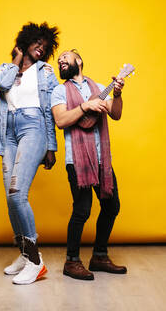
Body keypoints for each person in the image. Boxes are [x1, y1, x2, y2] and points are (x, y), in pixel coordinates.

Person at [0, 22, 59, 285]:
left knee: (18, 194)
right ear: (26, 42)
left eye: (45, 47)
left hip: (33, 128)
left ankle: (36, 262)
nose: (41, 48)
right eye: (38, 43)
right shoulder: (6, 70)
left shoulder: (46, 72)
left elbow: (50, 109)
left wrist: (51, 146)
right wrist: (16, 58)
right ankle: (25, 255)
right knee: (9, 198)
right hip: (9, 133)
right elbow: (2, 84)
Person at [51, 50, 127, 281]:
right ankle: (71, 261)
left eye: (65, 57)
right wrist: (86, 107)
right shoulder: (59, 90)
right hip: (78, 160)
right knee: (82, 210)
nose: (61, 61)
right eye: (59, 60)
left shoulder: (99, 87)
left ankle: (99, 257)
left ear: (79, 61)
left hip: (102, 159)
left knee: (111, 206)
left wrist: (117, 93)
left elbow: (116, 114)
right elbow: (61, 120)